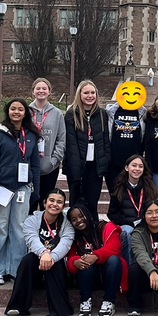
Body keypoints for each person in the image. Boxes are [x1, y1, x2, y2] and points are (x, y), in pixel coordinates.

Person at [0, 98, 41, 285]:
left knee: (19, 229)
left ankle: (16, 268)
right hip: (2, 188)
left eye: (20, 109)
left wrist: (36, 191)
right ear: (7, 111)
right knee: (0, 228)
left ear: (26, 113)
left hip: (23, 188)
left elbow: (35, 165)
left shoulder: (31, 135)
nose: (16, 112)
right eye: (13, 109)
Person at [5, 189, 75, 316]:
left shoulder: (67, 224)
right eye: (52, 200)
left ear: (63, 206)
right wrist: (44, 253)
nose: (55, 204)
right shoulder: (31, 220)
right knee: (28, 260)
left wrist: (51, 257)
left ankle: (58, 309)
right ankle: (17, 306)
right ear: (44, 202)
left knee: (56, 262)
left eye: (59, 202)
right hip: (37, 263)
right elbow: (32, 240)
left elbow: (65, 244)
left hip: (56, 263)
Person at [65, 202, 127, 316]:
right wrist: (75, 261)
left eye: (81, 216)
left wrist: (95, 256)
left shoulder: (105, 227)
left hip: (109, 275)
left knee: (114, 259)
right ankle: (85, 301)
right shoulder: (73, 236)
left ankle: (109, 301)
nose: (78, 220)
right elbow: (70, 258)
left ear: (88, 215)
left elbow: (114, 248)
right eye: (73, 219)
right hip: (87, 276)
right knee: (83, 261)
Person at [63, 80, 111, 215]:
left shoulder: (102, 114)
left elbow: (105, 139)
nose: (90, 96)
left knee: (92, 203)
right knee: (76, 205)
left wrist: (105, 160)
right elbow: (70, 143)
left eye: (92, 92)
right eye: (86, 93)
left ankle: (92, 233)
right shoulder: (72, 114)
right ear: (80, 94)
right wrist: (75, 168)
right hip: (76, 165)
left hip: (95, 166)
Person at [107, 154, 158, 265]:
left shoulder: (150, 187)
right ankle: (129, 267)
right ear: (127, 168)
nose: (137, 169)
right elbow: (111, 214)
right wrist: (126, 220)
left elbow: (155, 209)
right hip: (127, 226)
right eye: (134, 165)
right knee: (128, 232)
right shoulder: (119, 188)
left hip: (146, 224)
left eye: (140, 166)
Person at [30, 78, 66, 199]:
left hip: (50, 166)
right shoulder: (26, 111)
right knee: (30, 203)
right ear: (33, 91)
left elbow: (61, 139)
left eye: (44, 88)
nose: (41, 91)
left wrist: (55, 160)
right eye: (38, 88)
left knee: (46, 201)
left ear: (49, 91)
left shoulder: (57, 113)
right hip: (29, 165)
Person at [106, 94, 146, 187]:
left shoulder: (142, 113)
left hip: (134, 164)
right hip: (113, 164)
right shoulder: (111, 112)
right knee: (115, 196)